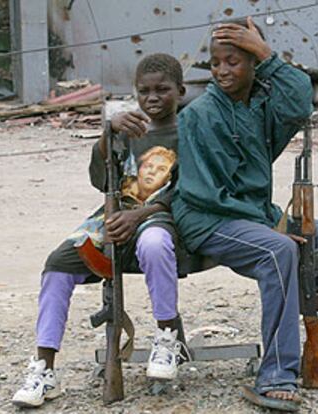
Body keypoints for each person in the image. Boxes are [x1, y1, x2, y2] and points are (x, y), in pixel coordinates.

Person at [172, 17, 318, 412]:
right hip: (207, 218)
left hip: (252, 214)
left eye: (235, 62)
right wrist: (269, 226)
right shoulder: (199, 115)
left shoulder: (260, 104)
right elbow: (203, 193)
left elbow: (300, 100)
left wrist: (266, 52)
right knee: (279, 250)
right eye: (217, 63)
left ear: (254, 66)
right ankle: (276, 374)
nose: (224, 71)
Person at [12, 53, 187, 408]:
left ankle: (168, 337)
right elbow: (101, 179)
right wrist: (107, 134)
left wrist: (139, 217)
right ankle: (44, 368)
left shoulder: (190, 131)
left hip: (162, 218)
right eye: (144, 91)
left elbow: (191, 192)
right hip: (115, 215)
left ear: (180, 91)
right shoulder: (130, 129)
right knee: (58, 263)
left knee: (154, 243)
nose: (152, 98)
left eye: (162, 90)